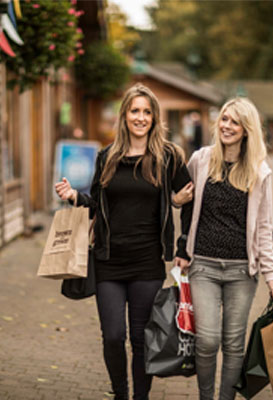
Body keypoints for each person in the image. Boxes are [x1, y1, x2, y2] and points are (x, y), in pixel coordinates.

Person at [55, 83, 192, 400]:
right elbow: (98, 205)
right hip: (108, 260)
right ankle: (120, 394)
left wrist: (182, 240)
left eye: (147, 112)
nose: (141, 117)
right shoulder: (107, 157)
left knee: (142, 340)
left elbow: (189, 200)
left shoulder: (168, 157)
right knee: (113, 336)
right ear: (125, 115)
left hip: (147, 262)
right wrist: (75, 196)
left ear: (154, 118)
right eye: (135, 111)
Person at [174, 97, 273, 400]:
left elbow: (264, 227)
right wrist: (175, 205)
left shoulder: (260, 172)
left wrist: (270, 275)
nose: (227, 126)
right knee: (208, 340)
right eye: (224, 119)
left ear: (247, 129)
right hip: (204, 266)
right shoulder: (201, 160)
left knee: (234, 343)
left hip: (241, 271)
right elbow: (181, 201)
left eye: (235, 122)